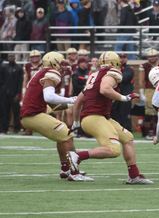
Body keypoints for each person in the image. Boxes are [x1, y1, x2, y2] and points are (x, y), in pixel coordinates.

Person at [67, 51, 154, 185]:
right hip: (95, 116)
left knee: (128, 137)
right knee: (114, 149)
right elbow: (105, 89)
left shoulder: (94, 75)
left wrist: (76, 123)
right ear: (116, 63)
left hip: (95, 117)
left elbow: (78, 101)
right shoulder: (113, 72)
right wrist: (125, 98)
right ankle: (78, 156)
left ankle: (133, 175)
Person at [20, 51, 92, 181]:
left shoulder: (42, 73)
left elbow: (54, 106)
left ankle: (65, 169)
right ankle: (75, 173)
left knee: (61, 135)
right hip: (33, 114)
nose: (63, 66)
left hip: (30, 113)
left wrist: (75, 102)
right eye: (61, 63)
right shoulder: (52, 72)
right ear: (55, 63)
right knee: (68, 134)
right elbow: (49, 96)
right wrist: (71, 99)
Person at [139, 49, 159, 139]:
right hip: (149, 90)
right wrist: (142, 93)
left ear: (157, 56)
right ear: (147, 57)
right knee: (149, 112)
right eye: (150, 56)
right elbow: (141, 80)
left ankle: (156, 133)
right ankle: (148, 133)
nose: (152, 58)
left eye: (154, 56)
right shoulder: (144, 66)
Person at [110, 53, 135, 132]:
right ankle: (116, 131)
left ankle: (127, 131)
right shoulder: (116, 68)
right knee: (115, 114)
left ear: (127, 58)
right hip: (115, 94)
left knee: (125, 114)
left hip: (125, 94)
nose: (122, 59)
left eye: (124, 57)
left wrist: (114, 75)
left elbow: (124, 78)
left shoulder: (129, 69)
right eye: (120, 57)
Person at [0, 54, 23, 134]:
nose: (11, 58)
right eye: (9, 56)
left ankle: (16, 127)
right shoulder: (4, 68)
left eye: (12, 56)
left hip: (14, 94)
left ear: (15, 57)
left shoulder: (19, 68)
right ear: (7, 58)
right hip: (4, 93)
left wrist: (19, 94)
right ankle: (3, 129)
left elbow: (20, 82)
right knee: (5, 112)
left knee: (16, 111)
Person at [21, 50, 43, 135]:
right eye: (33, 57)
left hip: (40, 89)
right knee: (29, 109)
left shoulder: (43, 65)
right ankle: (29, 129)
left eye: (36, 56)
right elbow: (25, 79)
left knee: (41, 109)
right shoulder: (28, 66)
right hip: (31, 90)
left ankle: (41, 128)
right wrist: (23, 91)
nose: (35, 58)